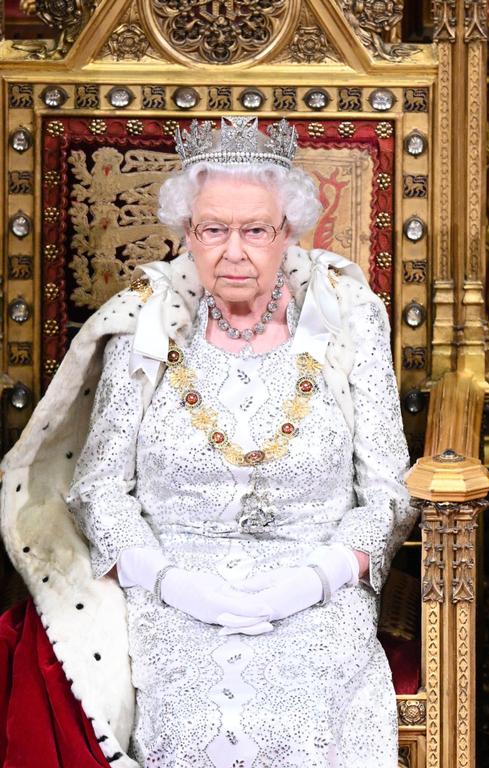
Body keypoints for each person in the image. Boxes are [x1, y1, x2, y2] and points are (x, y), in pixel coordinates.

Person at [1, 116, 416, 767]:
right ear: (186, 233)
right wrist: (168, 582)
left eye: (256, 230)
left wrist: (315, 579)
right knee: (197, 727)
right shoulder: (147, 319)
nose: (233, 251)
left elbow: (389, 490)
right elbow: (100, 484)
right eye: (212, 230)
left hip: (316, 587)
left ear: (289, 230)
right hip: (170, 587)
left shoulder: (345, 315)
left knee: (298, 722)